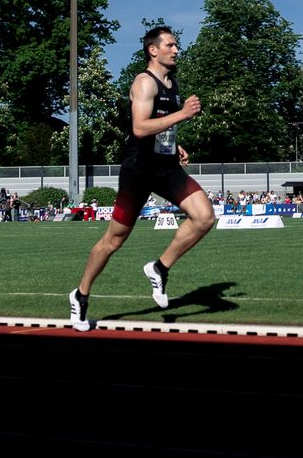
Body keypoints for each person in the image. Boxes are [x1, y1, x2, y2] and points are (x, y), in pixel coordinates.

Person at [68, 26, 215, 331]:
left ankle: (159, 268)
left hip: (165, 167)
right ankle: (80, 295)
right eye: (171, 45)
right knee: (114, 240)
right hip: (139, 170)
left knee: (204, 217)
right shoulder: (143, 83)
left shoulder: (171, 83)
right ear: (153, 50)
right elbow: (139, 127)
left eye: (176, 45)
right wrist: (183, 115)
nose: (176, 50)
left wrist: (175, 146)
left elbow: (160, 126)